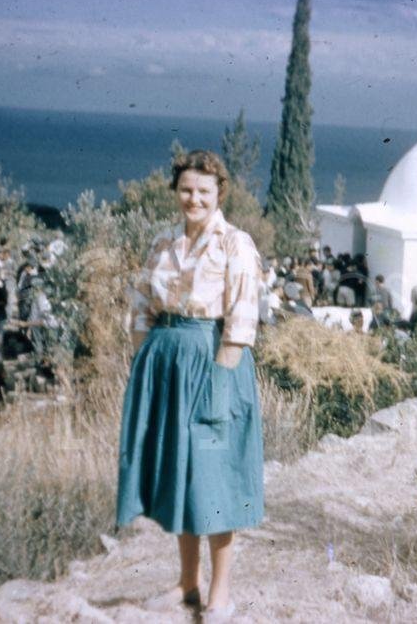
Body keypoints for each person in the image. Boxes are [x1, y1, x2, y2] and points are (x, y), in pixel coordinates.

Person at [116, 149, 263, 620]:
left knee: (213, 478)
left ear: (220, 192)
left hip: (214, 364)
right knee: (178, 472)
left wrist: (218, 385)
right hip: (167, 366)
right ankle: (187, 584)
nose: (193, 199)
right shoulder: (163, 241)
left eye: (203, 190)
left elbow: (242, 319)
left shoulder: (235, 243)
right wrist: (145, 360)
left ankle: (221, 594)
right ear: (175, 191)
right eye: (186, 189)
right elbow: (142, 304)